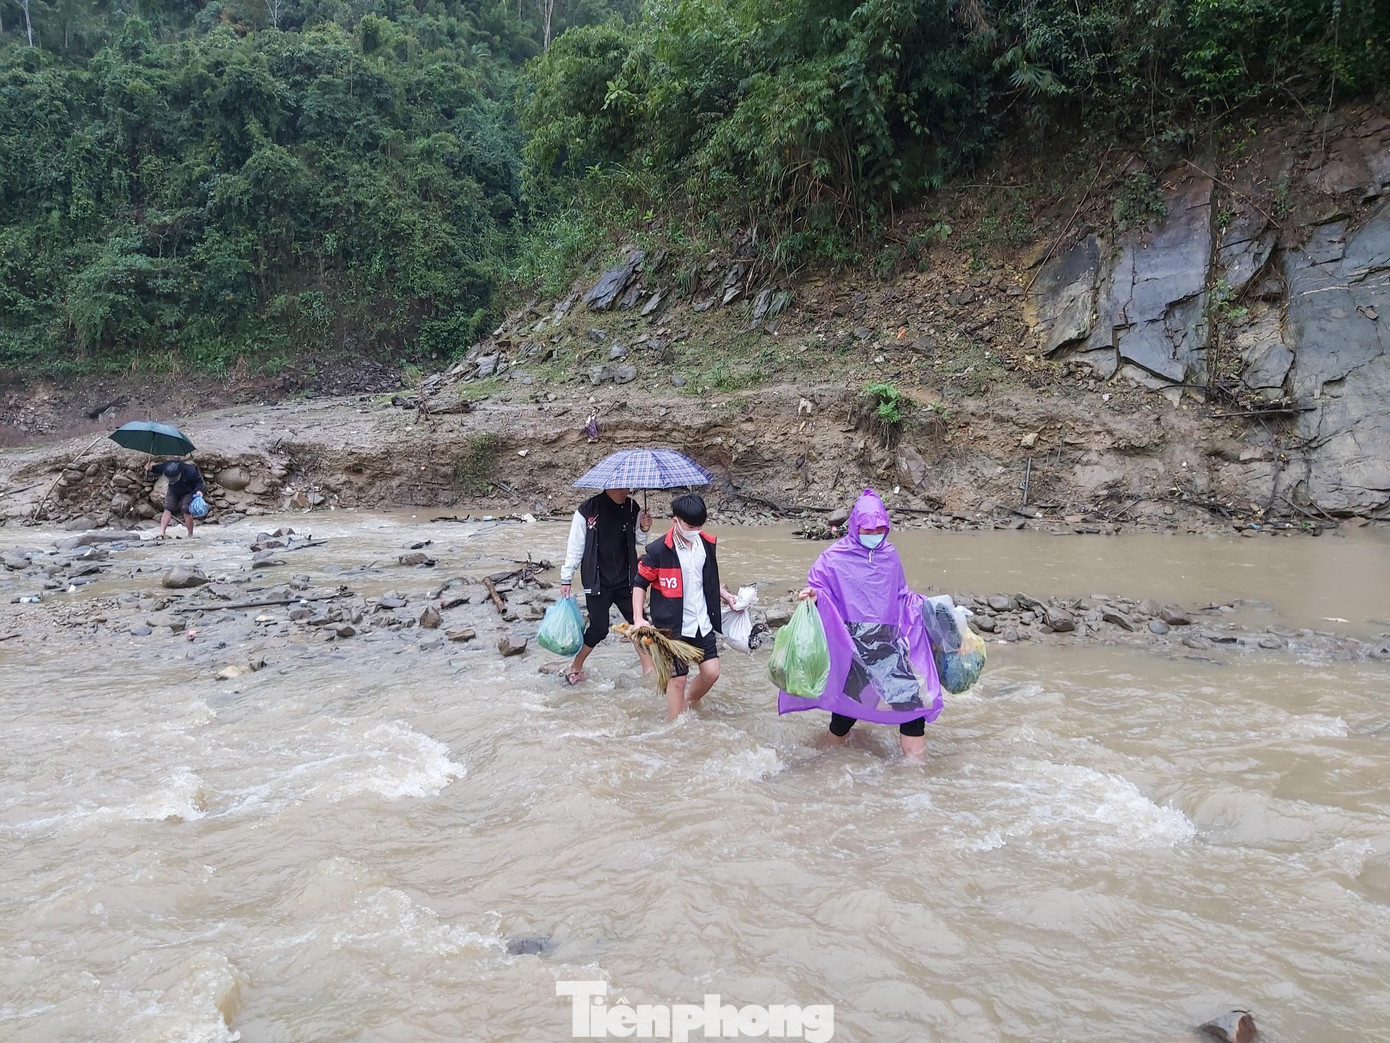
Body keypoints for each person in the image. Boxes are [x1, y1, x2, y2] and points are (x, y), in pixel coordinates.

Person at [777, 488, 942, 762]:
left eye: (879, 528)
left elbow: (901, 596)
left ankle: (915, 773)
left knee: (913, 706)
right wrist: (813, 596)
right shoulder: (834, 557)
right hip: (852, 644)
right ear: (855, 526)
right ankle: (825, 759)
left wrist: (931, 609)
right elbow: (820, 587)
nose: (874, 533)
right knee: (846, 712)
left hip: (887, 642)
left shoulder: (889, 555)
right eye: (867, 529)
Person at [632, 493, 739, 721]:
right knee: (677, 680)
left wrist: (726, 596)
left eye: (699, 525)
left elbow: (707, 579)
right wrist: (638, 618)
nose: (695, 530)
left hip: (702, 622)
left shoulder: (706, 544)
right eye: (690, 525)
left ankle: (688, 703)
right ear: (675, 521)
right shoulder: (659, 550)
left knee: (712, 673)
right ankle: (675, 730)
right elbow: (640, 583)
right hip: (672, 627)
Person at [559, 488, 654, 685]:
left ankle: (649, 670)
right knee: (599, 628)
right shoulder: (587, 510)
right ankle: (576, 666)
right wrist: (566, 578)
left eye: (627, 487)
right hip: (597, 580)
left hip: (626, 578)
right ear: (607, 486)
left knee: (639, 623)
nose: (625, 491)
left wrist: (644, 527)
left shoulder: (631, 506)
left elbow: (639, 541)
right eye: (620, 487)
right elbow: (575, 547)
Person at [146, 458, 206, 539]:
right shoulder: (167, 466)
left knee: (186, 510)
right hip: (173, 489)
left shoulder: (190, 471)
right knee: (168, 508)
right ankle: (162, 533)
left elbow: (199, 482)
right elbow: (158, 469)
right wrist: (150, 468)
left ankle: (190, 535)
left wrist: (199, 490)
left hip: (188, 491)